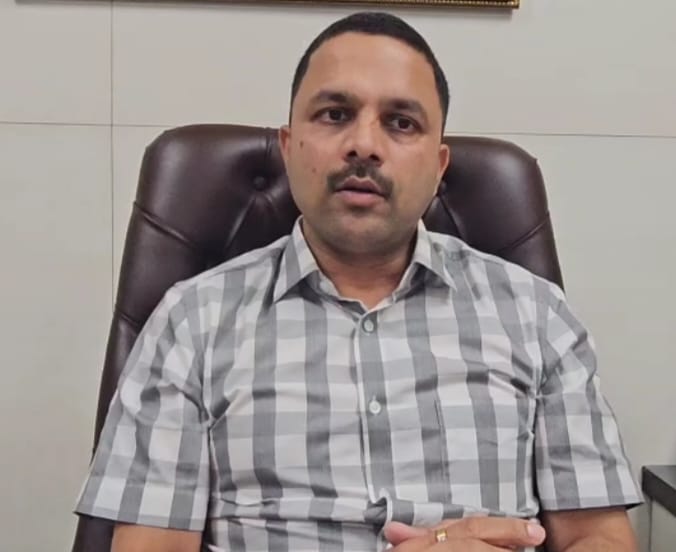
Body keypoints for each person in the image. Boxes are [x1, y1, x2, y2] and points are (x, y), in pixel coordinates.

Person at [75, 11, 641, 552]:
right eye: (334, 114)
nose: (364, 145)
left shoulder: (536, 316)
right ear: (288, 147)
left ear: (439, 166)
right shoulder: (192, 322)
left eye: (401, 123)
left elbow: (598, 537)